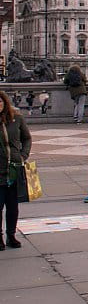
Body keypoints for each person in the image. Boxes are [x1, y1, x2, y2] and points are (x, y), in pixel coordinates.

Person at [0, 88, 32, 249]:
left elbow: (27, 138)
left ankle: (11, 235)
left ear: (4, 102)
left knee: (13, 206)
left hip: (14, 167)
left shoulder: (16, 118)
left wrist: (23, 155)